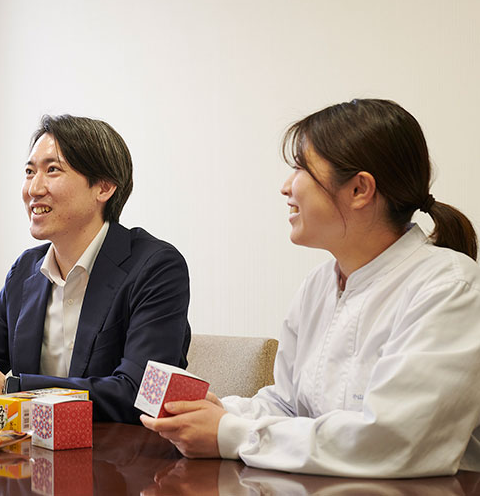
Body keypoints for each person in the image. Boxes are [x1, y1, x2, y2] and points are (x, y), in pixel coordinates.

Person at [141, 99, 480, 478]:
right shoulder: (319, 285)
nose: (286, 187)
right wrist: (222, 412)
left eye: (301, 168)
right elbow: (289, 406)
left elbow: (394, 441)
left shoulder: (449, 287)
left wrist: (231, 433)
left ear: (359, 189)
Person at [0, 114, 191, 423]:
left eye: (52, 170)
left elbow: (139, 395)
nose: (34, 189)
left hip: (120, 450)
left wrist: (11, 389)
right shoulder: (25, 271)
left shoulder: (156, 268)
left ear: (103, 187)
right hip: (31, 448)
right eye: (29, 172)